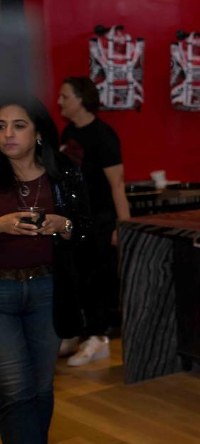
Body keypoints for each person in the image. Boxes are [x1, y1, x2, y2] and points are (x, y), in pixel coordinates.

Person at [1, 95, 90, 444]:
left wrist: (62, 225)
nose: (7, 134)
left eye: (18, 125)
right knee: (16, 389)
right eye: (0, 126)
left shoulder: (64, 173)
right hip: (0, 292)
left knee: (41, 389)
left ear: (38, 132)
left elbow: (86, 230)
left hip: (47, 291)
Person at [56, 77, 129, 366]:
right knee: (77, 279)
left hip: (101, 220)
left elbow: (118, 185)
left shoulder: (103, 135)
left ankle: (99, 338)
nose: (60, 102)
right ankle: (81, 334)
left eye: (64, 96)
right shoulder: (68, 133)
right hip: (75, 221)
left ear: (81, 99)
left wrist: (122, 226)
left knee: (98, 279)